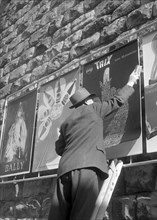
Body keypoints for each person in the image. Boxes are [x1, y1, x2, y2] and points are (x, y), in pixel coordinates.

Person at [48, 65, 142, 220]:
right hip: (88, 169)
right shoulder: (94, 109)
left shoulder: (66, 122)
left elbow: (59, 149)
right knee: (81, 215)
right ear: (88, 101)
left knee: (58, 216)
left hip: (64, 172)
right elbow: (117, 100)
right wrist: (131, 82)